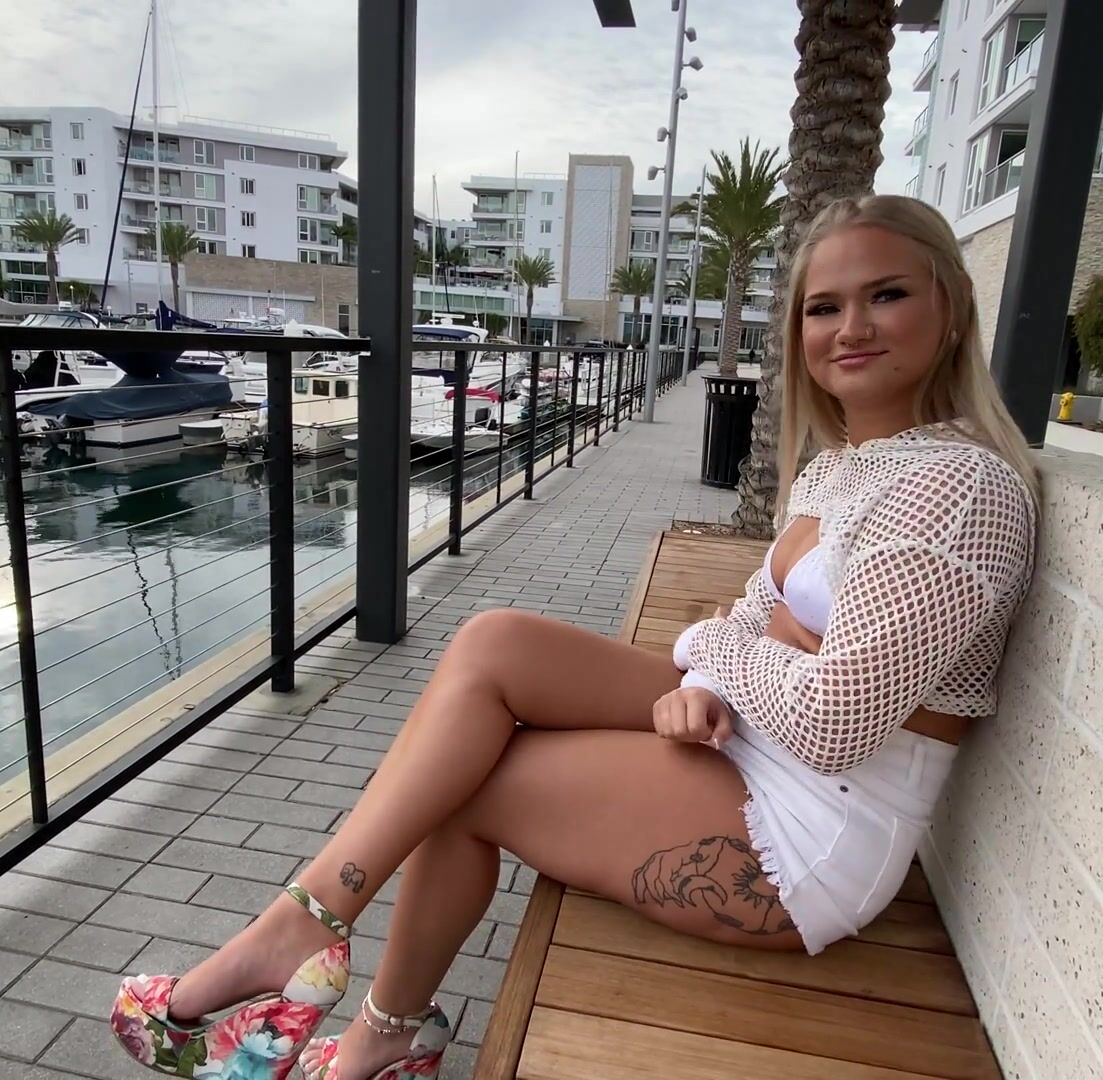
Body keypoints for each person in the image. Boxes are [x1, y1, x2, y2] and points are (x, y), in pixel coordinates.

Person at [108, 194, 1042, 1080]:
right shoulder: (842, 469)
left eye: (887, 295)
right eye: (824, 307)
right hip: (757, 740)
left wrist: (715, 651)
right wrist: (722, 667)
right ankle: (311, 929)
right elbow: (756, 617)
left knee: (469, 784)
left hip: (811, 830)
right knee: (495, 643)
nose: (851, 327)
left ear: (952, 306)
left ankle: (366, 1015)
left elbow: (834, 720)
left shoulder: (959, 486)